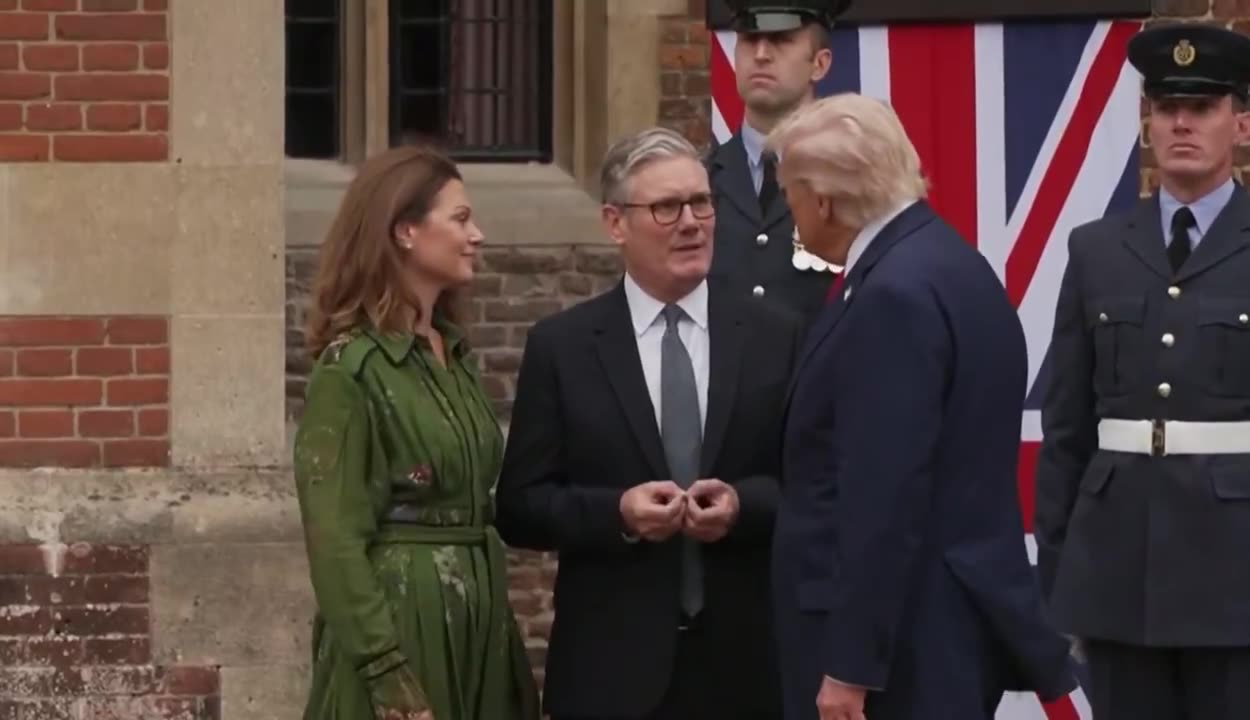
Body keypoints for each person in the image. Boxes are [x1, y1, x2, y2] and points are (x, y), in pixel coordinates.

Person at [766, 94, 1076, 720]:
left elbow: (881, 493)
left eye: (789, 195)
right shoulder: (951, 264)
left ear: (822, 199)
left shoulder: (891, 296)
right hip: (938, 626)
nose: (789, 214)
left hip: (901, 649)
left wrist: (851, 666)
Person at [494, 126, 802, 720]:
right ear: (615, 223)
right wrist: (618, 514)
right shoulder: (564, 347)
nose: (691, 222)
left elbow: (810, 487)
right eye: (666, 207)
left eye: (701, 202)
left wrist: (742, 506)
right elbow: (520, 507)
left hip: (745, 674)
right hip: (611, 675)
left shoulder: (774, 335)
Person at [1035, 23, 1250, 720]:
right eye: (1165, 106)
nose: (1181, 122)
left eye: (1203, 106)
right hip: (1119, 569)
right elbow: (1067, 424)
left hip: (1236, 576)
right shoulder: (1097, 249)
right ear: (1148, 124)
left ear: (1240, 124)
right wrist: (1059, 569)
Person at [292, 145, 540, 720]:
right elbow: (334, 540)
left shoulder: (453, 356)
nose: (476, 234)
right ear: (405, 231)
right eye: (459, 219)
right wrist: (386, 672)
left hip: (478, 623)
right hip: (405, 625)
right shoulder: (349, 370)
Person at [706, 0, 852, 324]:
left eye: (781, 40)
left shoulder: (852, 182)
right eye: (748, 40)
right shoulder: (699, 181)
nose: (760, 54)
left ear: (820, 64)